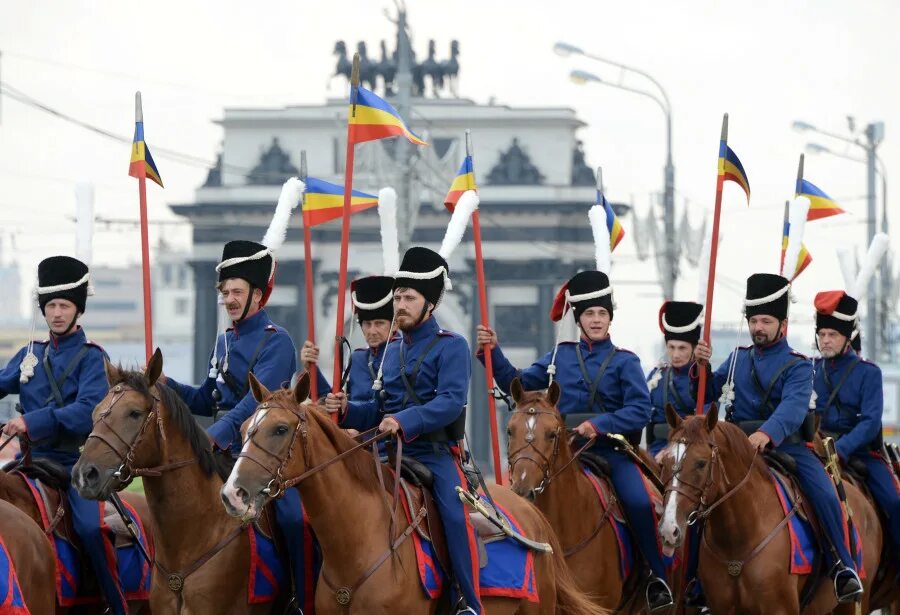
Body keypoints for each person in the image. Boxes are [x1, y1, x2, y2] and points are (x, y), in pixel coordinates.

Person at [476, 268, 674, 612]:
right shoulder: (558, 357)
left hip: (610, 453)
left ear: (609, 318)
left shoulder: (625, 361)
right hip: (562, 453)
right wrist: (491, 352)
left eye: (602, 313)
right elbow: (518, 386)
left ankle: (654, 578)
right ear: (579, 319)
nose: (596, 320)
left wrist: (599, 425)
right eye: (589, 314)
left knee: (639, 503)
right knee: (520, 498)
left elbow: (640, 409)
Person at [324, 247, 480, 614]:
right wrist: (347, 410)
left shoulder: (452, 346)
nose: (399, 305)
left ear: (429, 303)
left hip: (435, 455)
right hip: (386, 453)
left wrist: (404, 421)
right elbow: (377, 409)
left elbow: (450, 403)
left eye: (408, 297)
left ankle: (466, 601)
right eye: (397, 297)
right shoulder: (392, 351)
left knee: (456, 517)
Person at [695, 273, 863, 604]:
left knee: (826, 494)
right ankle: (694, 579)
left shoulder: (798, 366)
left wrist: (764, 435)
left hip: (787, 448)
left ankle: (842, 566)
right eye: (754, 320)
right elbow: (706, 395)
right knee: (699, 500)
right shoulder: (737, 359)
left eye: (766, 321)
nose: (759, 326)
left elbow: (793, 408)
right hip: (736, 450)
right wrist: (699, 367)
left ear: (782, 324)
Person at [0, 256, 129, 614]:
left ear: (77, 310)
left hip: (75, 466)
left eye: (64, 305)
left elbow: (87, 411)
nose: (56, 313)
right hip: (28, 465)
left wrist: (32, 422)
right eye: (51, 305)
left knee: (89, 528)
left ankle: (115, 605)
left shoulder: (93, 359)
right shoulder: (30, 354)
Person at [813, 290, 899, 553]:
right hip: (816, 451)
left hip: (861, 453)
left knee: (894, 503)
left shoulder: (868, 373)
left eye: (833, 335)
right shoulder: (808, 369)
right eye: (822, 334)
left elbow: (871, 423)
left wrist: (841, 449)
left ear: (847, 337)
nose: (825, 341)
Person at [301, 275, 394, 402]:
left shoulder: (403, 354)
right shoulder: (357, 358)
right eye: (367, 324)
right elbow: (331, 400)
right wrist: (311, 368)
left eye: (379, 323)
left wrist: (347, 410)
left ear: (394, 325)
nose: (372, 331)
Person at [646, 301, 703, 458]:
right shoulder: (656, 376)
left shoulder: (704, 380)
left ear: (694, 348)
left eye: (682, 348)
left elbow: (704, 428)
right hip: (655, 453)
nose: (675, 355)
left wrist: (669, 453)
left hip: (691, 455)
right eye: (671, 347)